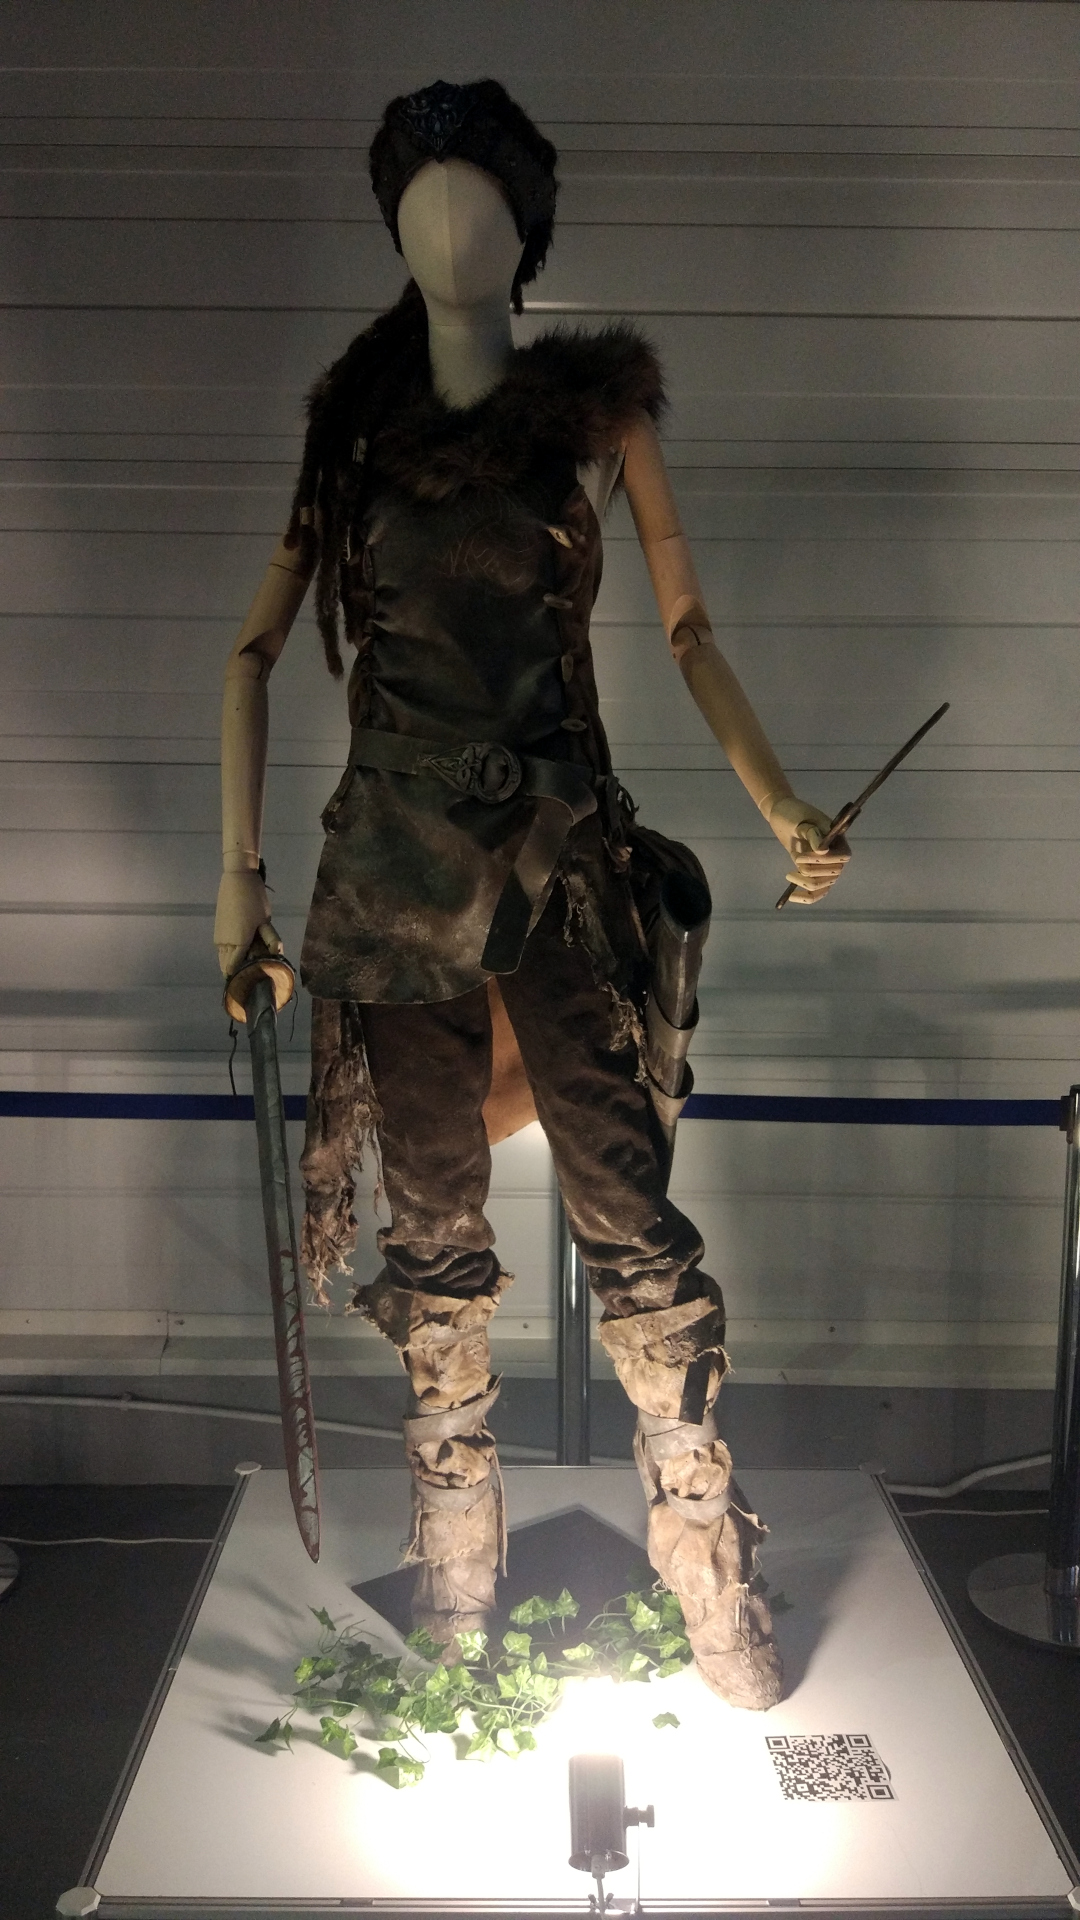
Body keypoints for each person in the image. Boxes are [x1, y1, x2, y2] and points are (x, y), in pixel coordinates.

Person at [214, 80, 849, 1711]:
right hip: (387, 881)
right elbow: (255, 652)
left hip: (563, 872)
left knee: (629, 1217)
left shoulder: (596, 418)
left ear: (527, 231)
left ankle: (704, 1557)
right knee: (432, 1231)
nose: (450, 227)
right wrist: (242, 891)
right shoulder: (353, 433)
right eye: (423, 199)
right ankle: (457, 1577)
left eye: (482, 201)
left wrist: (782, 803)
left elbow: (690, 632)